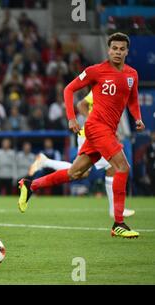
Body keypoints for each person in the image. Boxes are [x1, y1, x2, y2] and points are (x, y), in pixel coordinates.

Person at [18, 33, 145, 238]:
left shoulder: (132, 75)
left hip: (107, 130)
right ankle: (118, 223)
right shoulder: (96, 71)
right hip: (96, 127)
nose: (118, 52)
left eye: (122, 49)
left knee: (76, 173)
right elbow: (69, 90)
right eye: (114, 48)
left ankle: (30, 185)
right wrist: (71, 118)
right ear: (109, 49)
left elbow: (133, 100)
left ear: (127, 51)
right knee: (122, 166)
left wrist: (137, 118)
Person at [28, 91, 135, 217]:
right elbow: (80, 105)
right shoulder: (101, 88)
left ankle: (45, 161)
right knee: (104, 168)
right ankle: (115, 210)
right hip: (91, 135)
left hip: (97, 135)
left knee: (89, 171)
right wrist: (97, 125)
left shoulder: (112, 90)